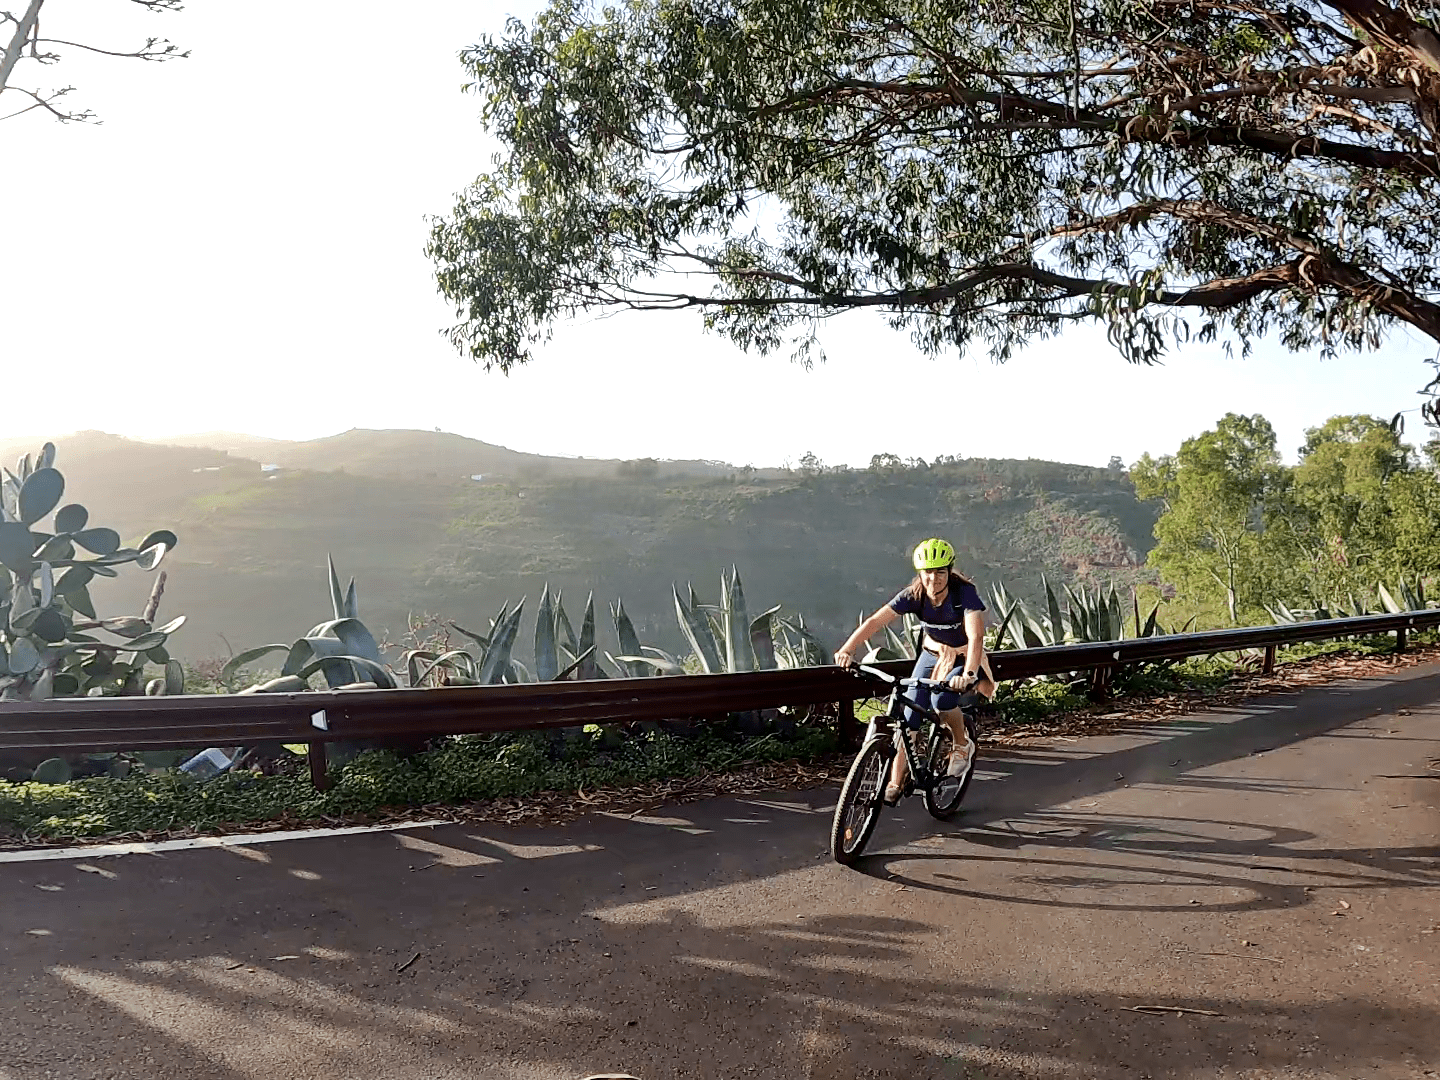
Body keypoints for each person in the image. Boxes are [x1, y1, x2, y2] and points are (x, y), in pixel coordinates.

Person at [834, 538, 994, 803]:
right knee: (909, 717)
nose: (934, 578)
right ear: (920, 573)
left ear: (949, 571)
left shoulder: (963, 592)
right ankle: (896, 782)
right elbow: (876, 620)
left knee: (942, 701)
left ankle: (962, 743)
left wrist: (968, 674)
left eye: (940, 571)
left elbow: (976, 637)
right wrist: (847, 649)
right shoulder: (914, 595)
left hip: (963, 657)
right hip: (931, 655)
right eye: (928, 572)